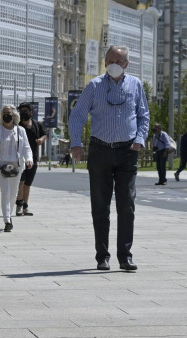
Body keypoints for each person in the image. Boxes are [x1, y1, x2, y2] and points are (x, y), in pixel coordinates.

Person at [69, 45, 149, 272]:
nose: (114, 64)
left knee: (127, 205)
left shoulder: (135, 84)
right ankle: (102, 256)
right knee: (100, 206)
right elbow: (77, 115)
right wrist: (76, 142)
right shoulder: (94, 86)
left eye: (119, 60)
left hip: (127, 152)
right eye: (111, 59)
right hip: (100, 150)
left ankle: (125, 256)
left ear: (127, 64)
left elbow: (143, 115)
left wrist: (139, 139)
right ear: (105, 62)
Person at [0, 105, 33, 232]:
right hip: (2, 166)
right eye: (4, 113)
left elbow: (27, 147)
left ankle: (9, 215)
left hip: (17, 167)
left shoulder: (20, 130)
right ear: (1, 115)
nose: (7, 115)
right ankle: (7, 220)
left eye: (9, 113)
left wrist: (29, 159)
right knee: (5, 193)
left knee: (13, 194)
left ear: (14, 116)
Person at [15, 102, 47, 216]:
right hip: (19, 158)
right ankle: (19, 204)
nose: (23, 112)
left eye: (26, 110)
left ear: (31, 112)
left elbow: (44, 134)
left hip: (33, 157)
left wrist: (41, 140)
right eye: (21, 110)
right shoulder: (17, 125)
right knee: (21, 182)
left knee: (28, 183)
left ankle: (25, 206)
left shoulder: (36, 124)